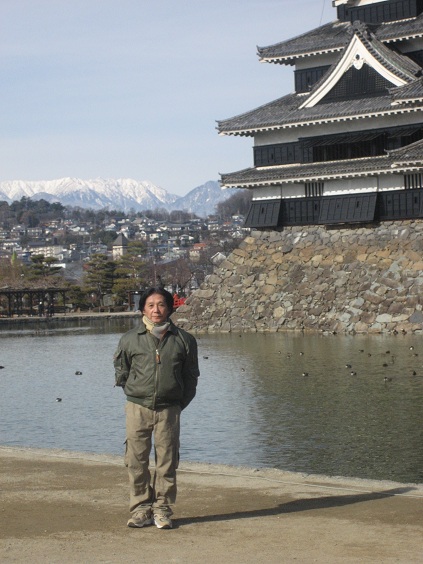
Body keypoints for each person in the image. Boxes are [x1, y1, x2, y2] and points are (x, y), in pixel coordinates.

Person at [114, 287, 200, 529]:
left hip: (169, 409)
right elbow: (122, 373)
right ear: (142, 308)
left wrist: (177, 404)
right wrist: (137, 395)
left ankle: (162, 508)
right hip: (137, 407)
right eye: (150, 305)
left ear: (170, 308)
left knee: (167, 460)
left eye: (161, 304)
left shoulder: (184, 340)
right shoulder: (129, 339)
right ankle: (141, 509)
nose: (156, 310)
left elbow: (191, 378)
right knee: (135, 459)